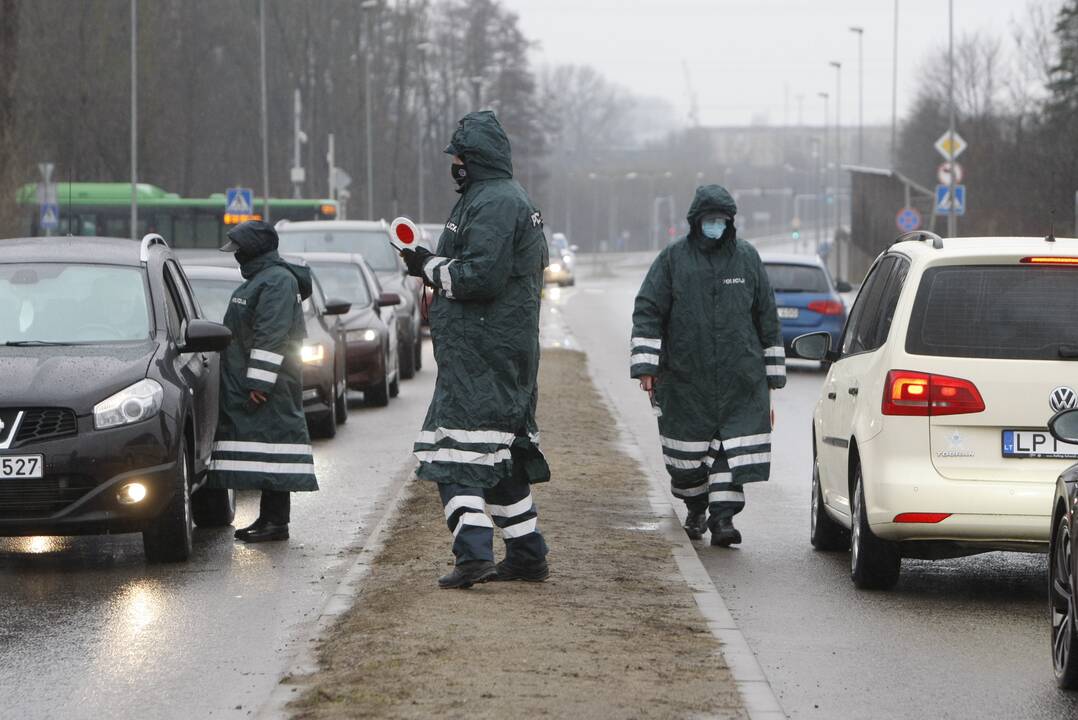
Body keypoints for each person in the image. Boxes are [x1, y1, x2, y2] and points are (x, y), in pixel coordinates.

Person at [399, 110, 550, 589]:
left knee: (454, 453)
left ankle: (473, 555)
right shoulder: (492, 198)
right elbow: (474, 266)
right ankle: (527, 554)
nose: (454, 165)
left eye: (459, 157)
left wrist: (427, 268)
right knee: (498, 455)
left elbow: (480, 276)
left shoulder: (495, 203)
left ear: (476, 159)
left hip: (484, 353)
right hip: (487, 349)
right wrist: (431, 263)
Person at [630, 184, 785, 546]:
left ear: (730, 222)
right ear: (696, 221)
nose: (715, 225)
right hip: (685, 378)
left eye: (721, 220)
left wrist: (772, 376)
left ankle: (723, 520)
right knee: (685, 459)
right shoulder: (673, 259)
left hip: (740, 377)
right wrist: (647, 367)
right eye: (708, 219)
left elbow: (767, 316)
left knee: (732, 450)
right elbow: (648, 310)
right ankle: (696, 505)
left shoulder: (747, 258)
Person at [207, 220, 317, 543]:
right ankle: (270, 520)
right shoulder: (264, 278)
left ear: (252, 250)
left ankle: (276, 523)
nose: (236, 256)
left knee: (274, 450)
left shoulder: (276, 282)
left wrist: (260, 383)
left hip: (271, 386)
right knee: (269, 451)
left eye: (239, 250)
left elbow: (271, 336)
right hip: (262, 383)